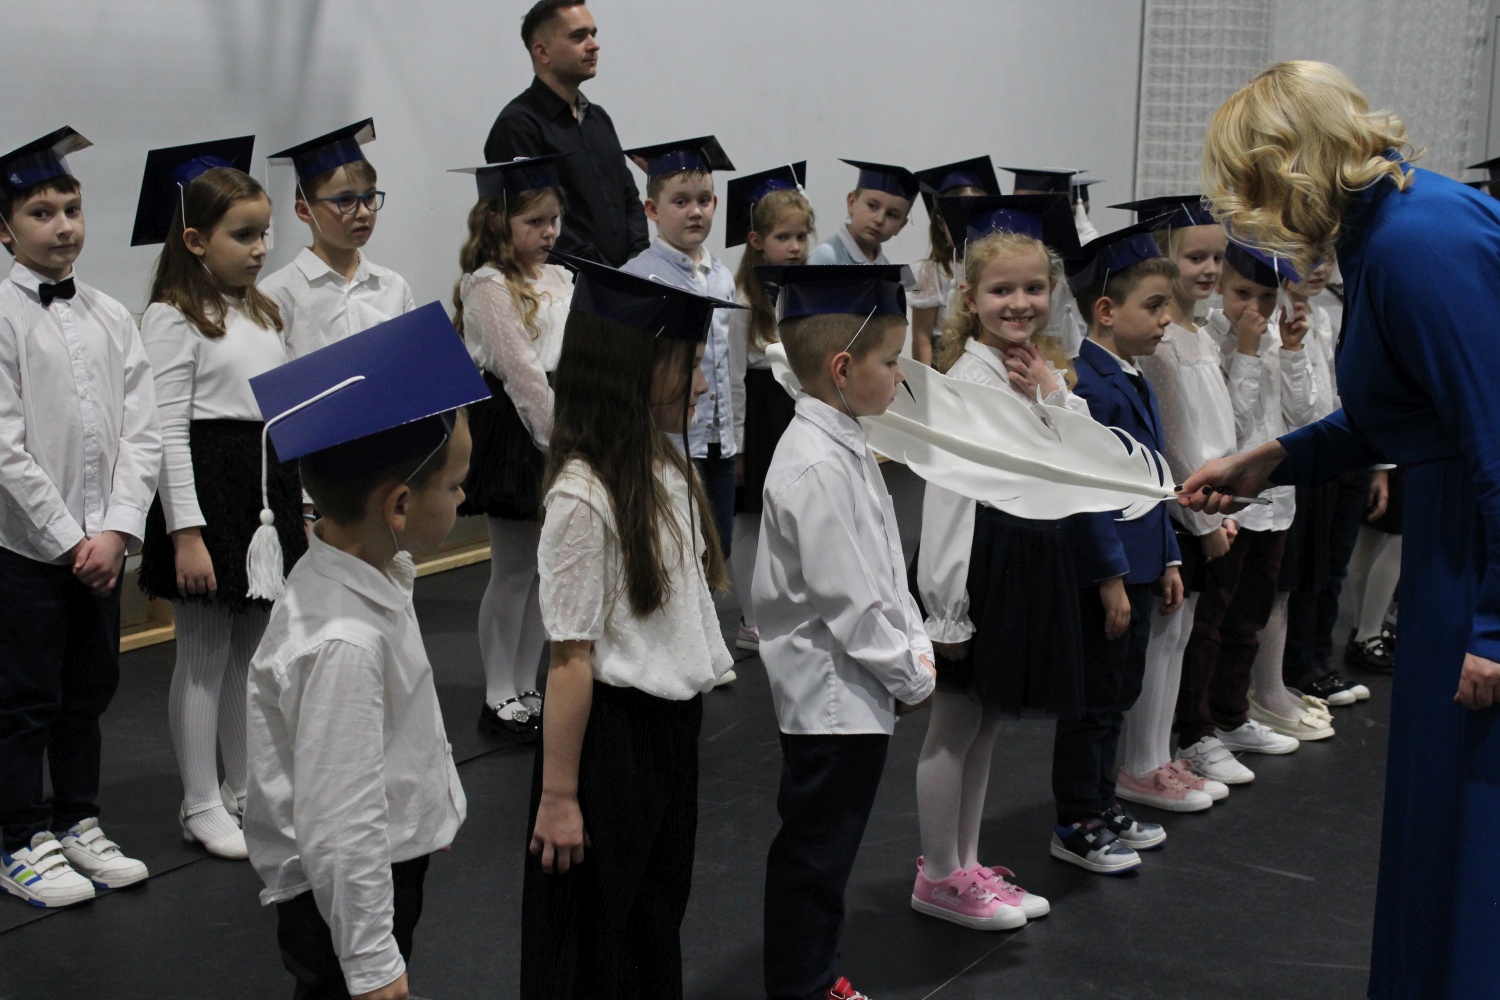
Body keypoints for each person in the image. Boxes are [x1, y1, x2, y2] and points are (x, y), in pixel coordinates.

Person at [1185, 60, 1500, 999]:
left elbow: (1496, 439)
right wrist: (1273, 458)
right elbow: (1406, 414)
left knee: (1470, 819)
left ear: (1289, 166)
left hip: (1473, 555)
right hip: (1457, 539)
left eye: (1249, 187)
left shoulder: (1418, 245)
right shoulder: (1392, 230)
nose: (1247, 216)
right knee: (1441, 816)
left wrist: (1494, 628)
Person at [243, 303, 485, 1000]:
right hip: (344, 900)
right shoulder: (341, 639)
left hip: (379, 865)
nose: (464, 495)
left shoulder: (373, 574)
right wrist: (374, 964)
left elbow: (395, 735)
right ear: (399, 505)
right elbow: (340, 821)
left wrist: (425, 808)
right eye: (454, 484)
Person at [520, 255, 736, 999]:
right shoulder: (583, 497)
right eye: (688, 366)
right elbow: (570, 657)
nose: (701, 386)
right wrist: (559, 796)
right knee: (594, 937)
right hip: (607, 743)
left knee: (653, 917)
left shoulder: (666, 468)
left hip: (669, 733)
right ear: (632, 371)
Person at [754, 265, 937, 1000]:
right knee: (816, 855)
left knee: (829, 850)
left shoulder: (843, 443)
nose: (900, 375)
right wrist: (912, 672)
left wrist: (913, 641)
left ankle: (814, 976)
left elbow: (885, 565)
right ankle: (803, 986)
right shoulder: (814, 466)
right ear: (842, 369)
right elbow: (850, 603)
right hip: (831, 698)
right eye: (890, 361)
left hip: (858, 690)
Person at [911, 196, 1088, 915]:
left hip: (1020, 559)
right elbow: (949, 498)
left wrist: (1051, 391)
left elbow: (1078, 456)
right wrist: (947, 611)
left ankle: (967, 861)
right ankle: (938, 875)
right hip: (978, 566)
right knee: (954, 727)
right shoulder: (968, 382)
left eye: (1033, 288)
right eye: (1002, 290)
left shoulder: (1032, 368)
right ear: (970, 298)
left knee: (984, 726)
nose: (1020, 303)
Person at [0, 128, 160, 907]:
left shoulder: (110, 315)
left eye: (71, 209)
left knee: (87, 692)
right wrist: (71, 540)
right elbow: (4, 449)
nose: (63, 226)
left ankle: (76, 820)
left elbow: (143, 432)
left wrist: (118, 529)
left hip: (102, 547)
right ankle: (17, 837)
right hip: (27, 550)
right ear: (5, 230)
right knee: (22, 698)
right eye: (41, 213)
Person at [131, 139, 303, 860]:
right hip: (208, 490)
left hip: (262, 491)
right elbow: (167, 431)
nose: (261, 249)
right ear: (196, 240)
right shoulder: (174, 316)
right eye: (244, 235)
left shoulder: (262, 311)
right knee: (203, 654)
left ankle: (243, 785)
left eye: (265, 233)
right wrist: (187, 533)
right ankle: (199, 800)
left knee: (250, 652)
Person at [1054, 221, 1186, 870]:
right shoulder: (1088, 385)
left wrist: (1169, 555)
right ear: (1106, 311)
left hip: (1140, 564)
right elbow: (1090, 489)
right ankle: (1075, 820)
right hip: (1106, 572)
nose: (1168, 320)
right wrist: (1110, 575)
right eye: (1155, 306)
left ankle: (1103, 804)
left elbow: (1150, 477)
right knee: (1092, 704)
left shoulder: (1131, 376)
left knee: (1118, 697)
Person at [1111, 195, 1235, 808]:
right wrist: (1203, 520)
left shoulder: (1199, 334)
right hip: (1185, 508)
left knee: (1180, 637)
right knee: (1162, 639)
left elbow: (1217, 425)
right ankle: (1139, 764)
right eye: (1195, 258)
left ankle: (1159, 756)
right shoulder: (1161, 347)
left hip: (1210, 506)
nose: (1210, 269)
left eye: (1217, 257)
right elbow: (1176, 444)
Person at [1174, 240, 1309, 782]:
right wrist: (1247, 353)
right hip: (1226, 508)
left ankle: (1232, 715)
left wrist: (1291, 352)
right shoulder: (1207, 341)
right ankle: (1195, 729)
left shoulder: (1278, 339)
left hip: (1275, 503)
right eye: (1242, 294)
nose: (1255, 308)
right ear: (1222, 290)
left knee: (1249, 620)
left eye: (1266, 297)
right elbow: (1229, 428)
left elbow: (1307, 417)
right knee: (1209, 623)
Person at [449, 155, 573, 741]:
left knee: (546, 570)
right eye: (535, 222)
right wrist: (558, 444)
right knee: (513, 568)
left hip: (560, 419)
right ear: (500, 222)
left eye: (554, 220)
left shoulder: (560, 277)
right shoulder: (488, 285)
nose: (549, 232)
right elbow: (520, 372)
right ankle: (498, 692)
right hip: (519, 430)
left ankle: (528, 684)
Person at [620, 137, 740, 592]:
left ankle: (703, 628)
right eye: (681, 201)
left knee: (717, 548)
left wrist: (736, 434)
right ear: (652, 210)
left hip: (718, 442)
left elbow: (728, 367)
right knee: (672, 549)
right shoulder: (639, 278)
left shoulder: (722, 277)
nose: (695, 211)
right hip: (668, 442)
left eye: (705, 200)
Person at [724, 163, 814, 653]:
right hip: (760, 414)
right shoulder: (745, 299)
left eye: (801, 236)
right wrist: (738, 444)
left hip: (795, 408)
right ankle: (751, 618)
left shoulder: (802, 289)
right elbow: (735, 377)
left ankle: (789, 605)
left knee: (793, 513)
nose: (795, 246)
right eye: (784, 237)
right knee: (751, 519)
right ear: (757, 241)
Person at [485, 0, 648, 267]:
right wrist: (605, 275)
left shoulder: (598, 119)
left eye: (593, 34)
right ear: (543, 52)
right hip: (560, 283)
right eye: (578, 36)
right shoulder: (519, 125)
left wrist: (637, 263)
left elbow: (628, 198)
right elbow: (534, 219)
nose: (594, 45)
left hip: (620, 281)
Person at [1277, 258, 1374, 706]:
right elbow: (1300, 407)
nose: (1319, 268)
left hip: (1344, 449)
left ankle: (1320, 659)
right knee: (1306, 572)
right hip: (1308, 454)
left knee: (1333, 567)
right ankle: (1299, 666)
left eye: (1326, 256)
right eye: (1306, 257)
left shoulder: (1323, 313)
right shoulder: (1278, 316)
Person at [262, 119, 416, 359]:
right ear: (304, 211)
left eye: (370, 197)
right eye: (345, 200)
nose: (363, 212)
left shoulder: (393, 287)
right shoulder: (277, 294)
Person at [909, 157, 1000, 366]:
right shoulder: (927, 272)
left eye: (977, 217)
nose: (968, 227)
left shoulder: (995, 267)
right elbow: (921, 338)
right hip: (943, 365)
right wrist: (926, 382)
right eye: (958, 218)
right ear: (941, 223)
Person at [807, 161, 916, 266]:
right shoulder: (825, 258)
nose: (879, 220)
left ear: (901, 226)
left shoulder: (886, 265)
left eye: (891, 215)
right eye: (872, 206)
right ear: (852, 203)